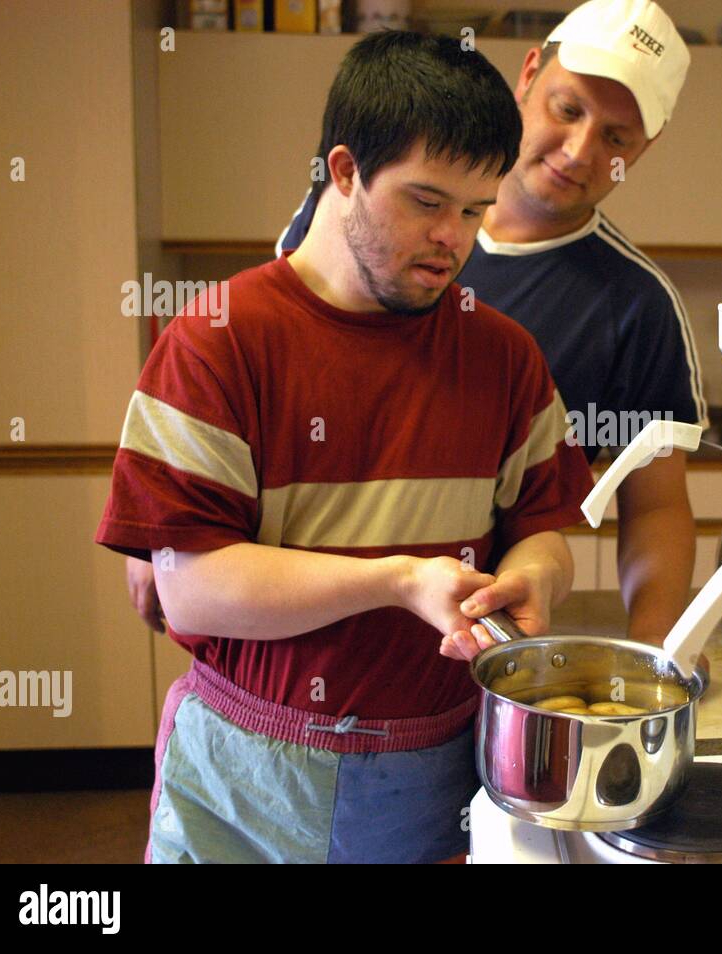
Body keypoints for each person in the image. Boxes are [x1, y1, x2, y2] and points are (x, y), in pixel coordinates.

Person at [96, 31, 594, 863]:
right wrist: (398, 582)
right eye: (426, 202)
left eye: (476, 209)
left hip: (433, 773)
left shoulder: (503, 355)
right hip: (244, 781)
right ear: (345, 171)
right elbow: (189, 592)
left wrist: (535, 576)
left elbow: (543, 528)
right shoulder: (219, 339)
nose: (454, 239)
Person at [126, 0, 710, 656]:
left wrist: (654, 636)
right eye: (568, 109)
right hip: (277, 647)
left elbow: (650, 505)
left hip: (450, 660)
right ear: (528, 75)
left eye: (616, 139)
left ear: (645, 148)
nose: (579, 151)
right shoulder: (348, 218)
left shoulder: (628, 306)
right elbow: (257, 357)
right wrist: (168, 522)